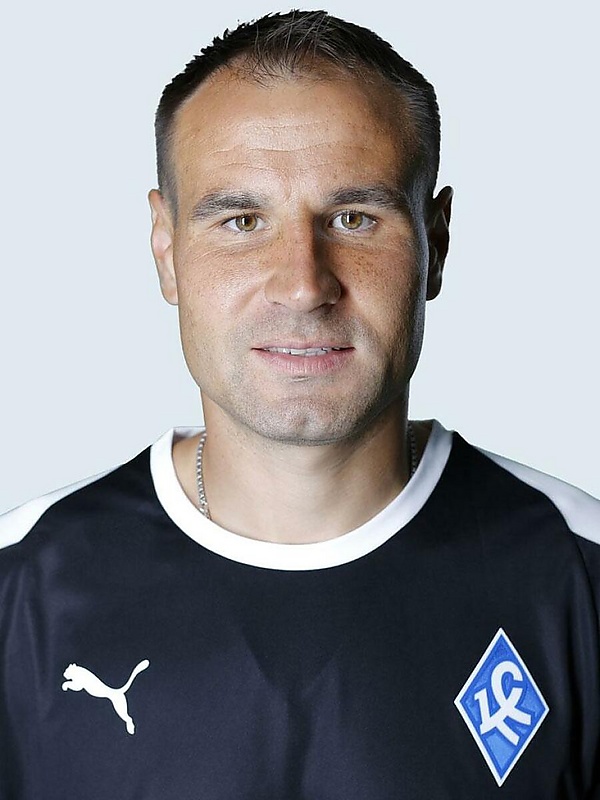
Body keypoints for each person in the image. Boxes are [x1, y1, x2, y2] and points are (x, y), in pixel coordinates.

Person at [0, 9, 599, 799]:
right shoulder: (20, 588)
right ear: (166, 251)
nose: (302, 284)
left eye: (354, 218)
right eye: (242, 221)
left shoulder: (579, 576)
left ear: (436, 244)